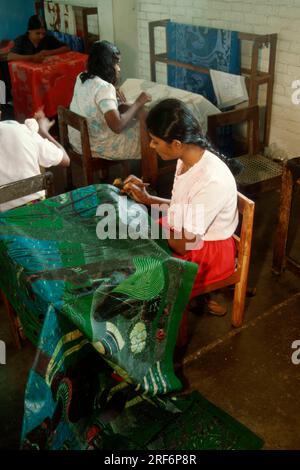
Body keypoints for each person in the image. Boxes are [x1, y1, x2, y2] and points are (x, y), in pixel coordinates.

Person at [123, 98, 239, 319]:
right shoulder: (186, 158)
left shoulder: (211, 179)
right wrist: (148, 199)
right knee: (130, 246)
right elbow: (180, 209)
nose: (151, 146)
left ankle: (156, 333)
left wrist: (148, 233)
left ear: (176, 144)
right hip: (187, 233)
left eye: (155, 141)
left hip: (210, 251)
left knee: (144, 271)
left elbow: (185, 245)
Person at [69, 40, 151, 161]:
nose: (119, 69)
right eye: (116, 64)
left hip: (77, 140)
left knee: (130, 113)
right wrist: (139, 101)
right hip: (95, 145)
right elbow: (117, 126)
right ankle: (149, 173)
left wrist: (114, 100)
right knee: (144, 129)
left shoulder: (82, 77)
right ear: (106, 65)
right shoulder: (104, 88)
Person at [0, 106, 70, 212]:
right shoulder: (22, 131)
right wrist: (44, 132)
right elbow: (65, 160)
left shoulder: (23, 130)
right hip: (37, 214)